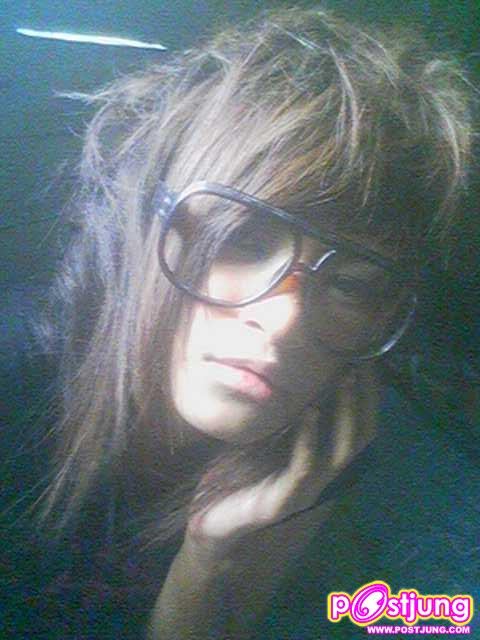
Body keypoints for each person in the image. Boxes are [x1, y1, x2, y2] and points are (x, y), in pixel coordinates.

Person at [2, 7, 477, 639]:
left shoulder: (321, 460)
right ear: (143, 221)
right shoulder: (16, 381)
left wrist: (209, 564)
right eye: (243, 240)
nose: (284, 321)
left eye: (353, 284)